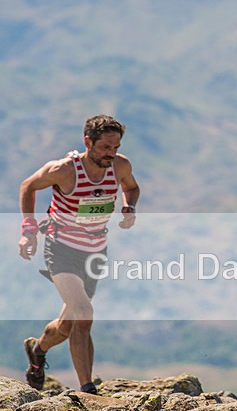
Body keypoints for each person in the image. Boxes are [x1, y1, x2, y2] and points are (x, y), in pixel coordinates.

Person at [17, 115, 140, 394]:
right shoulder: (64, 170)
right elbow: (28, 186)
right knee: (84, 315)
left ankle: (37, 350)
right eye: (106, 147)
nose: (112, 153)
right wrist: (28, 229)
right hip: (61, 249)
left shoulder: (120, 166)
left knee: (66, 325)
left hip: (95, 252)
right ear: (88, 142)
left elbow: (131, 188)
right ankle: (88, 390)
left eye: (116, 147)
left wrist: (129, 208)